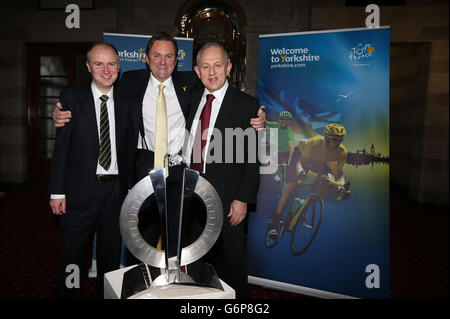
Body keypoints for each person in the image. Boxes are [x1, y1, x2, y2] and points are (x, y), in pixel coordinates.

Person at [52, 33, 266, 262]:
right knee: (141, 239)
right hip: (143, 168)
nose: (162, 62)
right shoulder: (129, 83)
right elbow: (97, 92)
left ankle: (171, 285)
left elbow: (223, 94)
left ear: (177, 60)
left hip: (180, 172)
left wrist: (259, 116)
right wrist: (61, 114)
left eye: (169, 56)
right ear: (146, 58)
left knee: (177, 238)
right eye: (156, 55)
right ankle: (140, 289)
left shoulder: (191, 82)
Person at [48, 42, 130, 298]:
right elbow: (61, 149)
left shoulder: (129, 101)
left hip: (115, 194)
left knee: (110, 260)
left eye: (112, 64)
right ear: (88, 67)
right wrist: (56, 192)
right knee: (73, 259)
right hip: (79, 192)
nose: (106, 70)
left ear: (119, 66)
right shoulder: (71, 98)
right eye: (99, 63)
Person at [185, 42, 260, 298]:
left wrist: (242, 199)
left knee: (232, 263)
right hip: (193, 195)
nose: (212, 72)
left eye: (218, 65)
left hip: (229, 199)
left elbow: (252, 158)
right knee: (194, 259)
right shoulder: (191, 98)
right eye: (205, 66)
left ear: (228, 67)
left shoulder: (246, 106)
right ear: (197, 71)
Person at [268, 123, 348, 237]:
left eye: (340, 140)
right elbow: (299, 163)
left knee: (328, 182)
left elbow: (340, 175)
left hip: (318, 162)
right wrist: (300, 172)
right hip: (300, 156)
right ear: (326, 138)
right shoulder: (315, 142)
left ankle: (304, 207)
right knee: (290, 188)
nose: (338, 143)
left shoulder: (342, 151)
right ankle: (274, 224)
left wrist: (341, 187)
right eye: (335, 140)